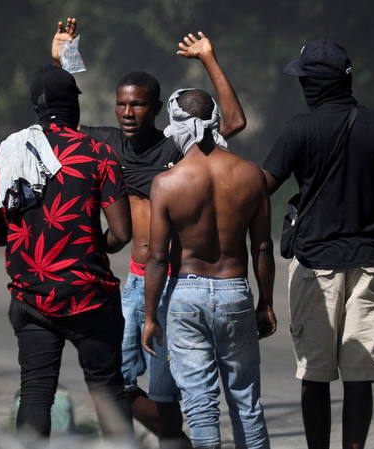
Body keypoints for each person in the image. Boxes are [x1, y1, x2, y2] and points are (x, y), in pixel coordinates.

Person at [52, 19, 246, 446]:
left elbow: (232, 122)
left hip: (175, 284)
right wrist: (63, 60)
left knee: (164, 393)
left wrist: (209, 59)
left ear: (155, 109)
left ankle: (172, 438)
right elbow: (60, 124)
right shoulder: (105, 144)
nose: (127, 113)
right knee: (111, 382)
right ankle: (167, 439)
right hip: (135, 282)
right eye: (121, 105)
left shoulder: (176, 145)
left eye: (138, 106)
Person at [261, 38, 374, 449]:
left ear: (313, 84)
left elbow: (261, 188)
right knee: (360, 376)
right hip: (369, 262)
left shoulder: (299, 130)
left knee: (314, 375)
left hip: (314, 264)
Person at [0, 65, 132, 437]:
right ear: (74, 106)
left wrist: (21, 237)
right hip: (90, 295)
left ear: (36, 108)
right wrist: (96, 245)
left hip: (31, 297)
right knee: (108, 390)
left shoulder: (8, 152)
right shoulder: (98, 154)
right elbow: (122, 232)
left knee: (35, 391)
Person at [142, 89, 276, 449]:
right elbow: (262, 246)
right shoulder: (251, 175)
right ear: (216, 120)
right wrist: (266, 303)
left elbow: (156, 258)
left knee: (200, 406)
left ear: (175, 125)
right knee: (246, 401)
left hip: (186, 293)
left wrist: (151, 315)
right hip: (235, 290)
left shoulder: (167, 183)